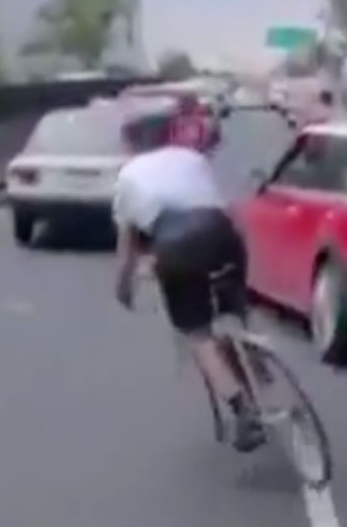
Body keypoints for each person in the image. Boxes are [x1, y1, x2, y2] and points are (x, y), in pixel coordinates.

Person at [112, 111, 266, 453]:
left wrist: (123, 288)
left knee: (197, 333)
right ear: (167, 135)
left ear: (131, 144)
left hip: (176, 247)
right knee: (232, 301)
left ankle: (242, 410)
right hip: (221, 233)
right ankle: (250, 345)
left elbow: (128, 246)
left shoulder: (128, 176)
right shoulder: (190, 157)